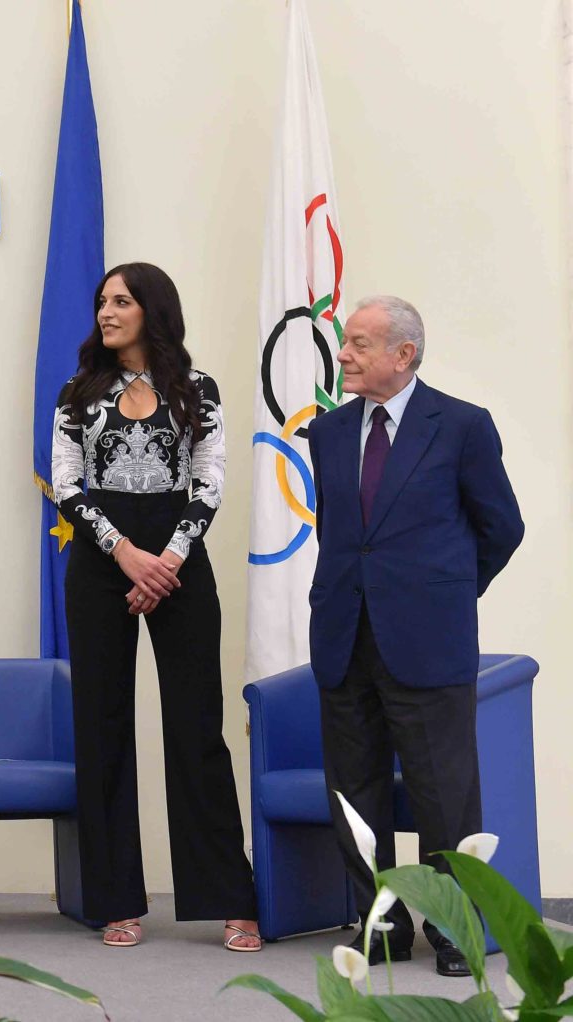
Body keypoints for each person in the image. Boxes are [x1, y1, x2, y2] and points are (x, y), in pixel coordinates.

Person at [308, 296, 522, 976]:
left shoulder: (461, 426)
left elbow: (501, 527)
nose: (344, 354)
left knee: (444, 794)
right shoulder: (328, 432)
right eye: (346, 342)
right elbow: (340, 534)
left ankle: (454, 927)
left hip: (429, 641)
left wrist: (446, 593)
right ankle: (382, 926)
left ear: (404, 354)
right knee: (355, 795)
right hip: (344, 636)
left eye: (359, 344)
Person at [51, 262, 260, 951]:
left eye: (121, 301)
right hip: (100, 564)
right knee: (103, 727)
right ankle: (115, 899)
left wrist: (166, 560)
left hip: (180, 563)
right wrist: (125, 554)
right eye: (102, 301)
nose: (106, 312)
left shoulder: (198, 390)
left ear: (152, 310)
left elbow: (209, 479)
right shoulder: (78, 392)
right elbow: (66, 485)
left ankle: (230, 896)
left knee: (197, 728)